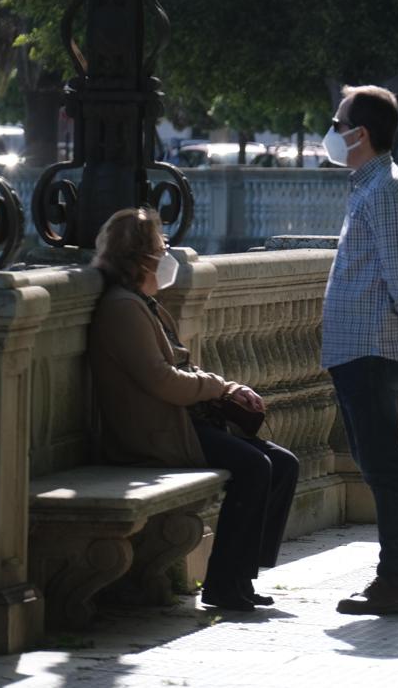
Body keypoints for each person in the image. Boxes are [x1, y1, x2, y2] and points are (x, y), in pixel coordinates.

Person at [88, 208, 300, 612]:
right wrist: (219, 388)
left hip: (178, 423)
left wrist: (229, 387)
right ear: (139, 256)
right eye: (159, 247)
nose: (166, 253)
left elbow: (181, 364)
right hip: (157, 432)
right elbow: (162, 380)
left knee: (283, 463)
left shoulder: (143, 302)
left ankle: (240, 574)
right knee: (255, 468)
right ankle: (223, 584)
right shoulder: (123, 308)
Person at [321, 85, 398, 616]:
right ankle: (394, 577)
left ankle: (397, 578)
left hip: (373, 350)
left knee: (385, 468)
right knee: (377, 465)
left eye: (338, 120)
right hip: (359, 349)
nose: (331, 130)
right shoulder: (370, 187)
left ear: (360, 133)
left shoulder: (386, 192)